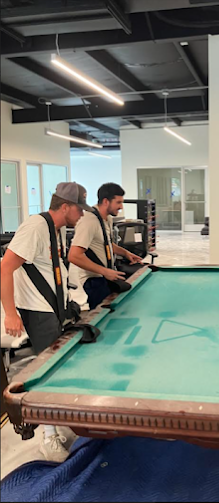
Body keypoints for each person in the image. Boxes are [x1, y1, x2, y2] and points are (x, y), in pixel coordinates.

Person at [1, 182, 92, 462]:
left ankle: (57, 419)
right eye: (79, 210)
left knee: (58, 365)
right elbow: (6, 266)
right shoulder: (35, 227)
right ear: (65, 206)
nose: (82, 215)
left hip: (51, 309)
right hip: (36, 311)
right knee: (46, 372)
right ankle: (48, 435)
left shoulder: (56, 230)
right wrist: (10, 313)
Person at [68, 183, 142, 310]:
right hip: (91, 281)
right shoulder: (89, 221)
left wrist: (125, 253)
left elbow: (105, 243)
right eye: (118, 202)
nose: (121, 207)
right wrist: (105, 271)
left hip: (104, 276)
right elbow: (74, 256)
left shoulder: (107, 218)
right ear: (106, 201)